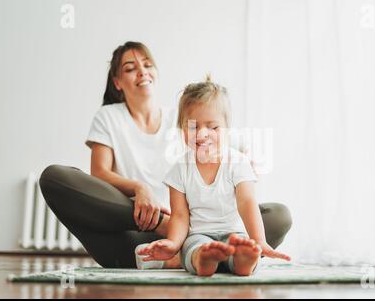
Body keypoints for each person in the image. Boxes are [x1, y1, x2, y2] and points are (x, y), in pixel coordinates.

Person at [39, 41, 292, 269]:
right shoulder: (109, 116)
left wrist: (247, 159)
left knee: (278, 216)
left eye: (147, 64)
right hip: (140, 226)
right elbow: (100, 173)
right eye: (130, 68)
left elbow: (231, 140)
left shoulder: (187, 116)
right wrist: (140, 190)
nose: (142, 71)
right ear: (117, 82)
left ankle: (204, 253)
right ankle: (182, 249)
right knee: (55, 178)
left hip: (199, 228)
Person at [137, 77, 291, 276]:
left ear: (227, 129)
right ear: (182, 129)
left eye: (213, 127)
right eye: (193, 127)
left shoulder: (237, 162)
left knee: (243, 246)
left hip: (235, 235)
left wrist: (259, 240)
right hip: (199, 235)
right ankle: (204, 258)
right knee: (192, 248)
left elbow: (247, 202)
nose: (202, 134)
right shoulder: (179, 169)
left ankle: (243, 260)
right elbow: (180, 216)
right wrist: (173, 243)